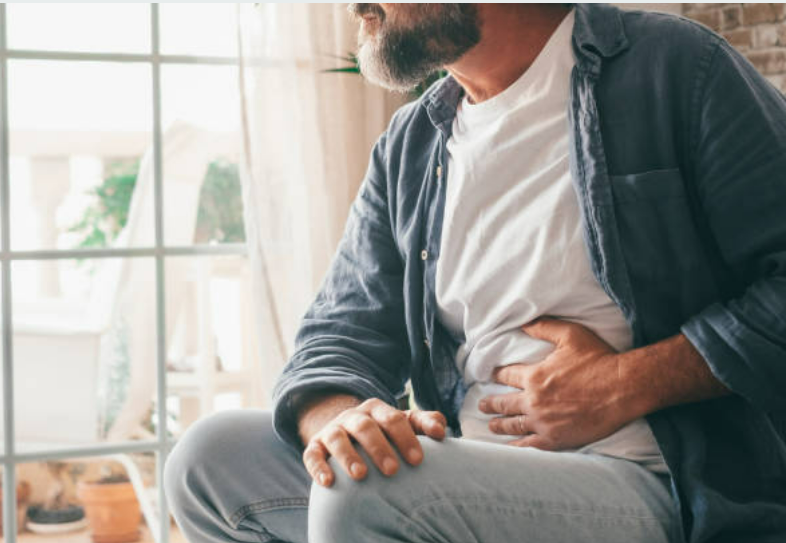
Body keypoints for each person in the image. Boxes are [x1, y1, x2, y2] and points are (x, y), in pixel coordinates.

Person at [164, 4, 786, 543]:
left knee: (368, 494)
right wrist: (340, 421)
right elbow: (340, 329)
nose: (352, 5)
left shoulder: (675, 69)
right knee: (209, 461)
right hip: (465, 471)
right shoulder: (411, 145)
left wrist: (626, 383)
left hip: (660, 485)